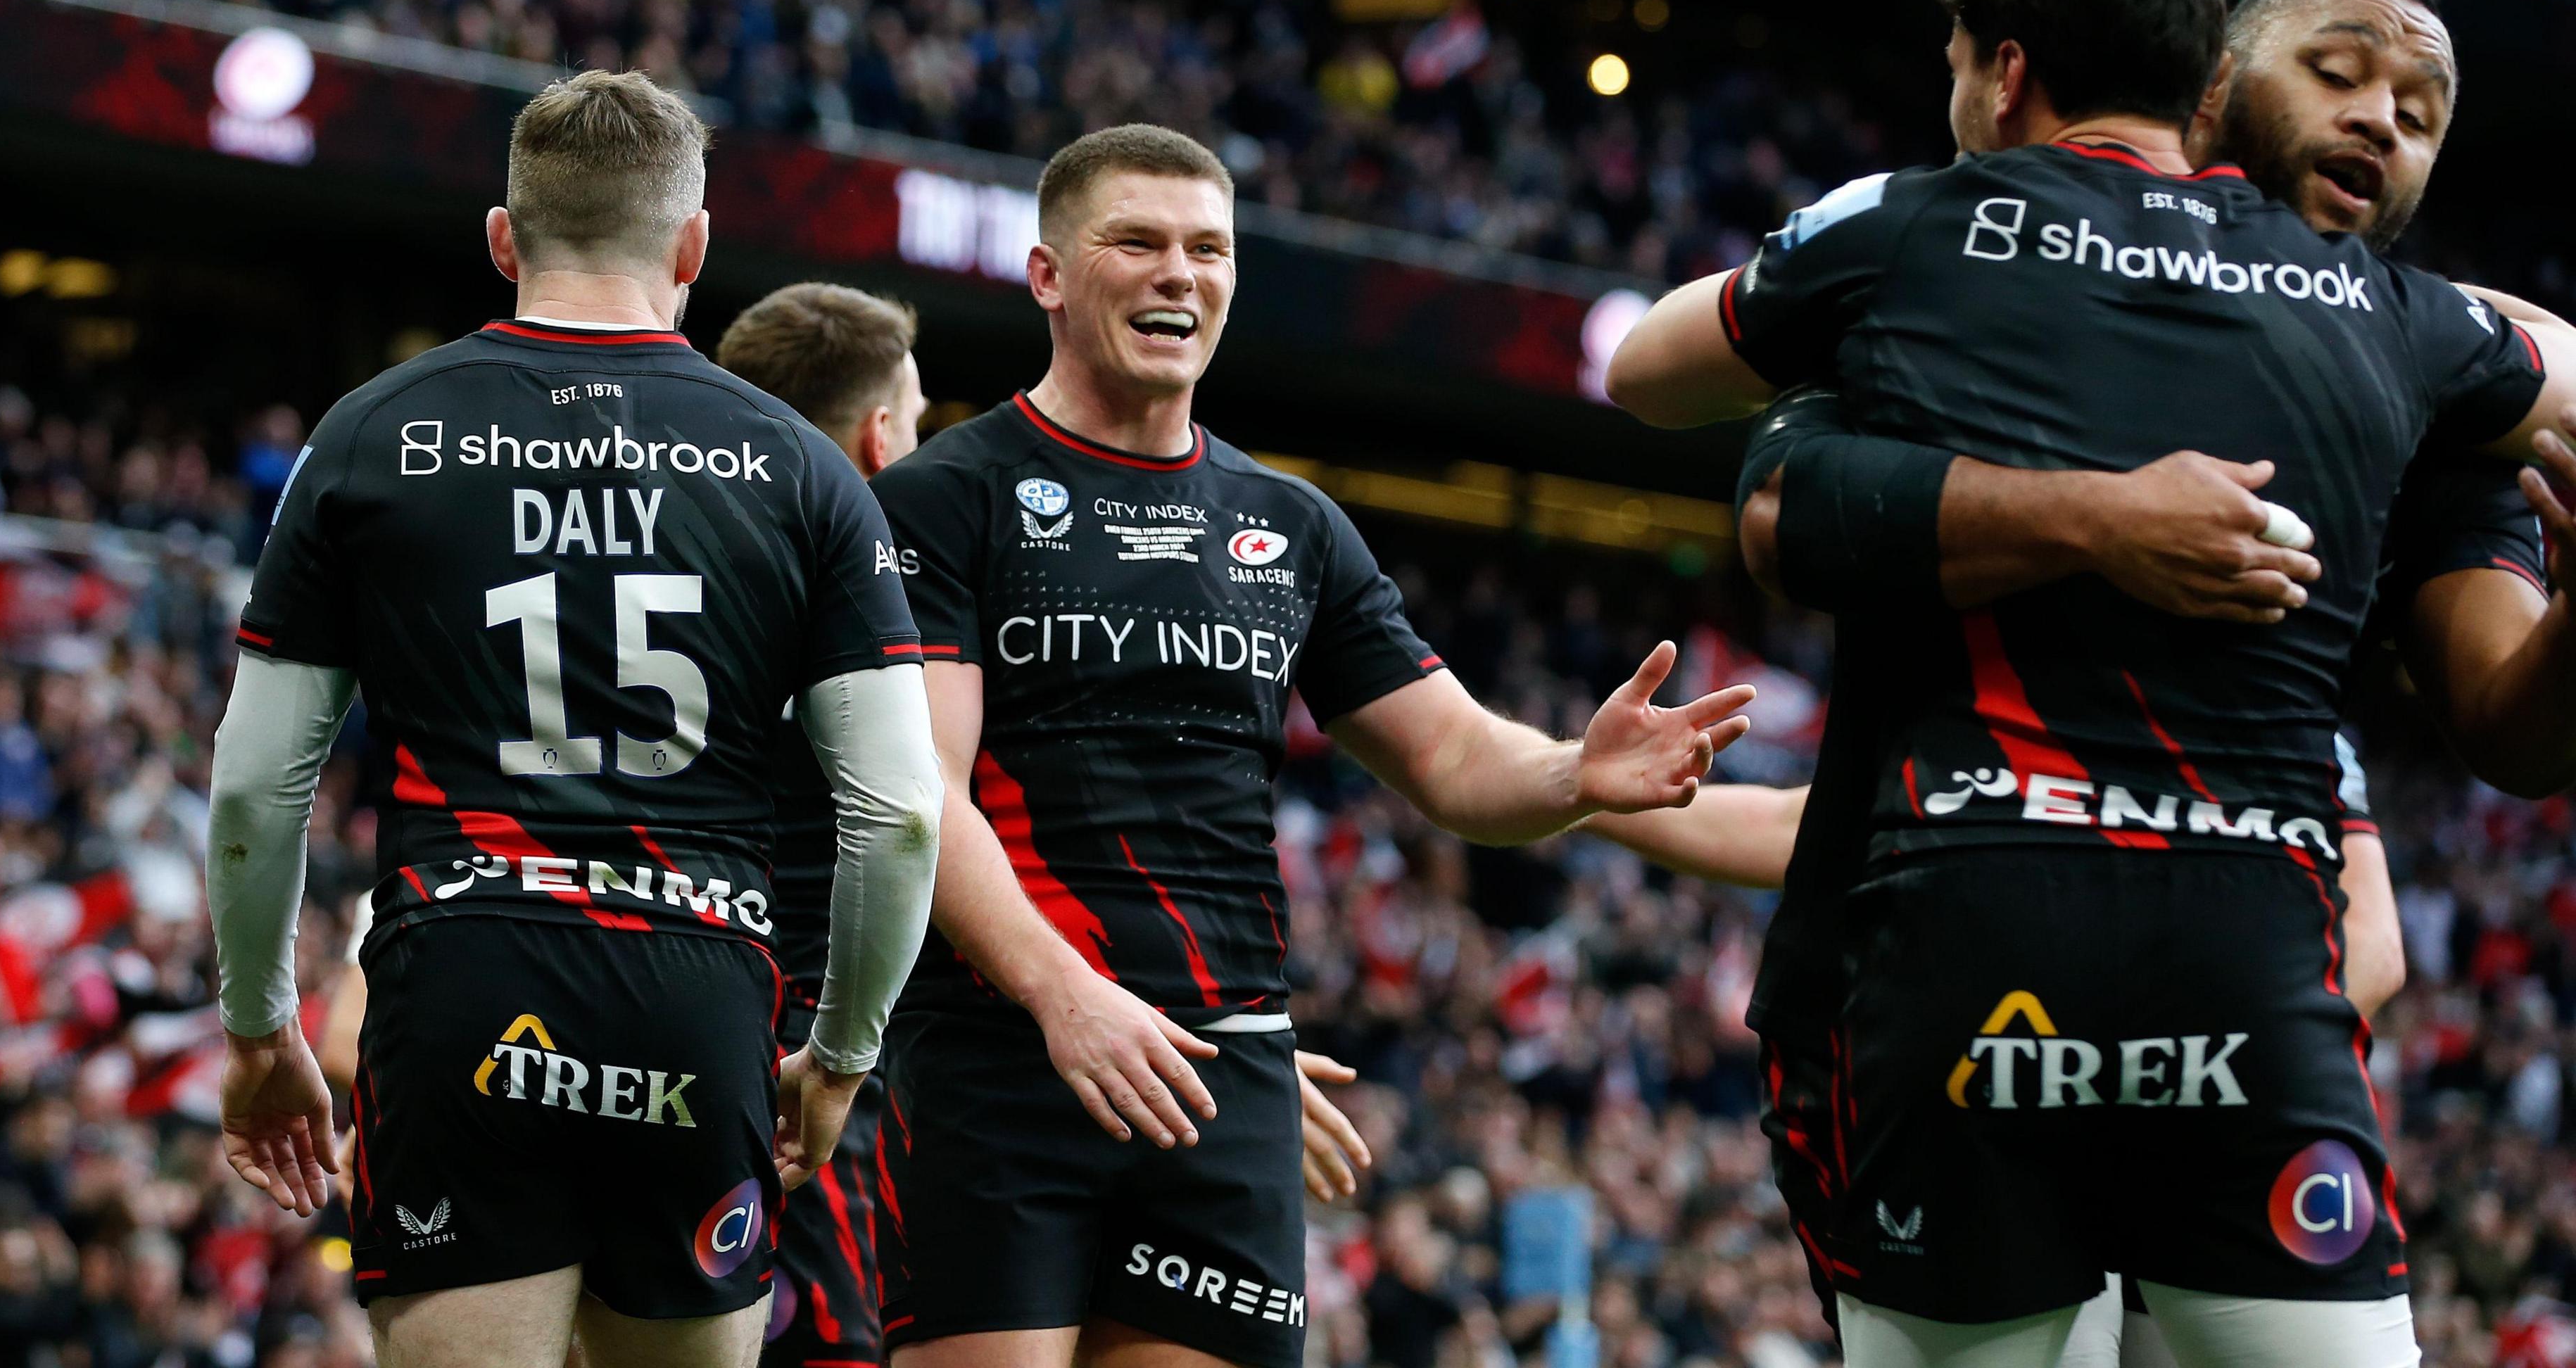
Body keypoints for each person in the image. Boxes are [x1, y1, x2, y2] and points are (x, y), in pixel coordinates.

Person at [1605, 0, 2576, 1364]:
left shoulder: (2422, 370)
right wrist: (2101, 514)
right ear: (2211, 84)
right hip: (2011, 967)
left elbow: (2512, 730)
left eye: (2423, 109)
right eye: (2337, 73)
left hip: (2178, 989)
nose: (2382, 117)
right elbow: (1780, 501)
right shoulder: (1986, 258)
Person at [869, 122, 1756, 1368]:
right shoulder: (944, 497)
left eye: (1209, 249)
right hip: (1006, 1060)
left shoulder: (1293, 525)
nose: (1181, 273)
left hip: (1222, 1078)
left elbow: (1451, 759)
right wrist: (1067, 998)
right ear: (1050, 275)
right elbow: (922, 794)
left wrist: (1572, 774)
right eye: (1138, 241)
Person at [204, 70, 942, 1368]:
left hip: (464, 976)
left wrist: (262, 1028)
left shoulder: (377, 433)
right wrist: (837, 1059)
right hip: (699, 985)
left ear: (505, 237)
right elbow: (898, 816)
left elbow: (258, 788)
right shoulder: (804, 467)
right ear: (695, 248)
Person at [712, 281, 1382, 1368]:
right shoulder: (874, 620)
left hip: (713, 1047)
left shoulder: (706, 598)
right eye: (920, 418)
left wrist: (1193, 1050)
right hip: (843, 1079)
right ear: (883, 438)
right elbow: (916, 842)